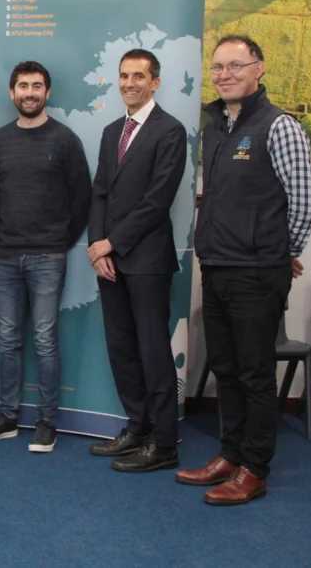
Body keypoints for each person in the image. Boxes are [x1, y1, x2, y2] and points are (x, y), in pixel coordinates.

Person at [177, 35, 311, 505]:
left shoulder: (280, 127)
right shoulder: (216, 127)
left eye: (236, 65)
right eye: (217, 67)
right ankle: (230, 455)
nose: (225, 74)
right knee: (226, 368)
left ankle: (254, 468)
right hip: (217, 266)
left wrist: (281, 250)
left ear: (259, 68)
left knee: (255, 373)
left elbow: (304, 203)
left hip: (257, 273)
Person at [0, 61, 92, 453]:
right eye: (22, 86)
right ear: (12, 93)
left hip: (47, 256)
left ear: (47, 93)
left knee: (44, 339)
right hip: (4, 255)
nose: (29, 92)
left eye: (37, 86)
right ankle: (7, 416)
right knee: (7, 339)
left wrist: (57, 239)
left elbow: (81, 198)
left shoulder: (65, 139)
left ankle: (47, 422)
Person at [85, 49, 187, 472]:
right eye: (124, 76)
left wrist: (113, 243)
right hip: (109, 262)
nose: (129, 83)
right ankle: (137, 427)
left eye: (139, 76)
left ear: (155, 82)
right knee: (122, 349)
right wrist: (96, 245)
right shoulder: (113, 131)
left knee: (152, 351)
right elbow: (100, 192)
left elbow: (157, 200)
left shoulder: (170, 131)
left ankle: (164, 444)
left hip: (146, 261)